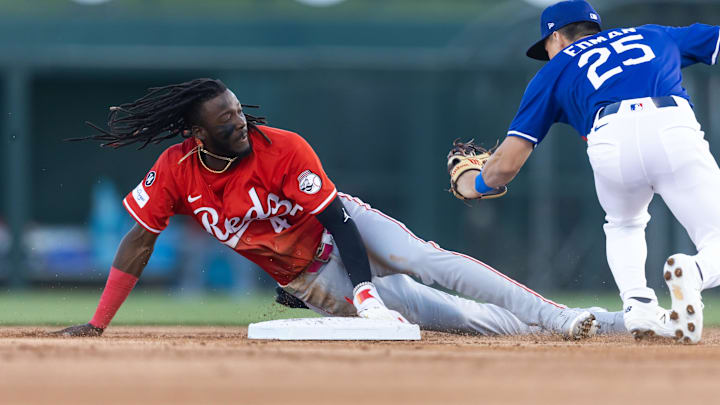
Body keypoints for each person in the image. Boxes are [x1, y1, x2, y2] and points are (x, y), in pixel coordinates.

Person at [54, 78, 621, 339]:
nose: (239, 124)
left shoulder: (281, 146)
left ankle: (561, 317)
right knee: (456, 318)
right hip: (311, 276)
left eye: (237, 111)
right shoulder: (177, 170)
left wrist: (368, 289)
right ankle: (601, 325)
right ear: (195, 134)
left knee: (430, 261)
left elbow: (337, 220)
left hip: (344, 233)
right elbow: (139, 241)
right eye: (225, 122)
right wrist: (99, 322)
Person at [452, 1, 720, 343]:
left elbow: (506, 165)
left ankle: (638, 304)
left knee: (623, 223)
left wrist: (475, 184)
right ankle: (694, 272)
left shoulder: (554, 70)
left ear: (559, 38)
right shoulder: (653, 35)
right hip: (670, 125)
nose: (547, 54)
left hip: (608, 136)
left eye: (546, 47)